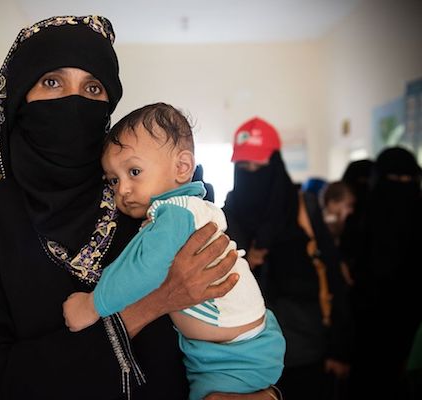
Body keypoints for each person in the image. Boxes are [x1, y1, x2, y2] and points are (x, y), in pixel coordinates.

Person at [0, 15, 279, 400]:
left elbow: (234, 311)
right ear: (20, 97)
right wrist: (154, 303)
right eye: (52, 82)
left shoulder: (146, 202)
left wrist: (264, 394)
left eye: (93, 87)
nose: (74, 100)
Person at [62, 103, 285, 400]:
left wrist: (91, 305)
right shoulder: (181, 212)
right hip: (227, 351)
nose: (123, 190)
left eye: (134, 171)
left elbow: (142, 269)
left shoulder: (177, 214)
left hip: (235, 355)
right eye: (114, 180)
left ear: (182, 168)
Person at [223, 116, 353, 400]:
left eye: (260, 165)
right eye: (244, 167)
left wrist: (339, 349)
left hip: (305, 351)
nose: (251, 173)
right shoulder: (229, 212)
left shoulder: (303, 210)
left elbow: (332, 276)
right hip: (248, 358)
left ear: (277, 163)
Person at [349, 146, 422, 400]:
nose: (401, 187)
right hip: (382, 323)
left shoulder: (366, 217)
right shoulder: (359, 220)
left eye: (408, 181)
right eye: (394, 180)